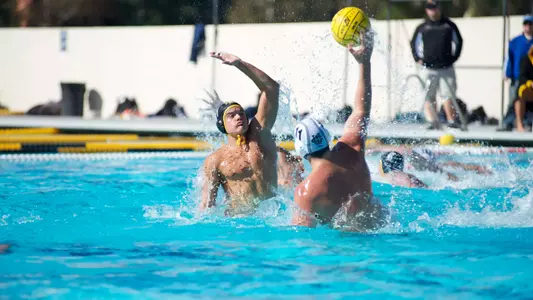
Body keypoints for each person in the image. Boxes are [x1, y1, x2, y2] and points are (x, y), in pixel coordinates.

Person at [292, 31, 386, 230]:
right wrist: (364, 62)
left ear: (301, 151)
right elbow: (362, 108)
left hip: (346, 245)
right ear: (327, 137)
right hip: (380, 227)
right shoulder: (352, 147)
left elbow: (301, 237)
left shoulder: (306, 192)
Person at [199, 51, 280, 216]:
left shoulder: (259, 135)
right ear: (222, 124)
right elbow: (207, 207)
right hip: (238, 223)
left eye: (241, 113)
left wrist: (239, 64)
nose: (239, 117)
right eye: (232, 115)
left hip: (272, 218)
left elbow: (271, 89)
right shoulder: (215, 160)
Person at [410, 0, 463, 130]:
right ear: (426, 10)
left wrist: (453, 58)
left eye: (435, 7)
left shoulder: (449, 25)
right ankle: (433, 122)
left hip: (446, 67)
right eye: (429, 7)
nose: (432, 10)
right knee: (429, 95)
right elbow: (414, 44)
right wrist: (418, 58)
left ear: (439, 7)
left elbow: (459, 42)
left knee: (448, 95)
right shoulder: (422, 27)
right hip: (428, 68)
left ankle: (451, 121)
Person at [502, 15, 533, 131]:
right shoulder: (515, 42)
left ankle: (527, 122)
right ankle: (508, 122)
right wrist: (507, 72)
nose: (528, 27)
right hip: (517, 76)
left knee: (529, 101)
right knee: (514, 99)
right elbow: (509, 58)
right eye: (526, 24)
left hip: (529, 79)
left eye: (530, 24)